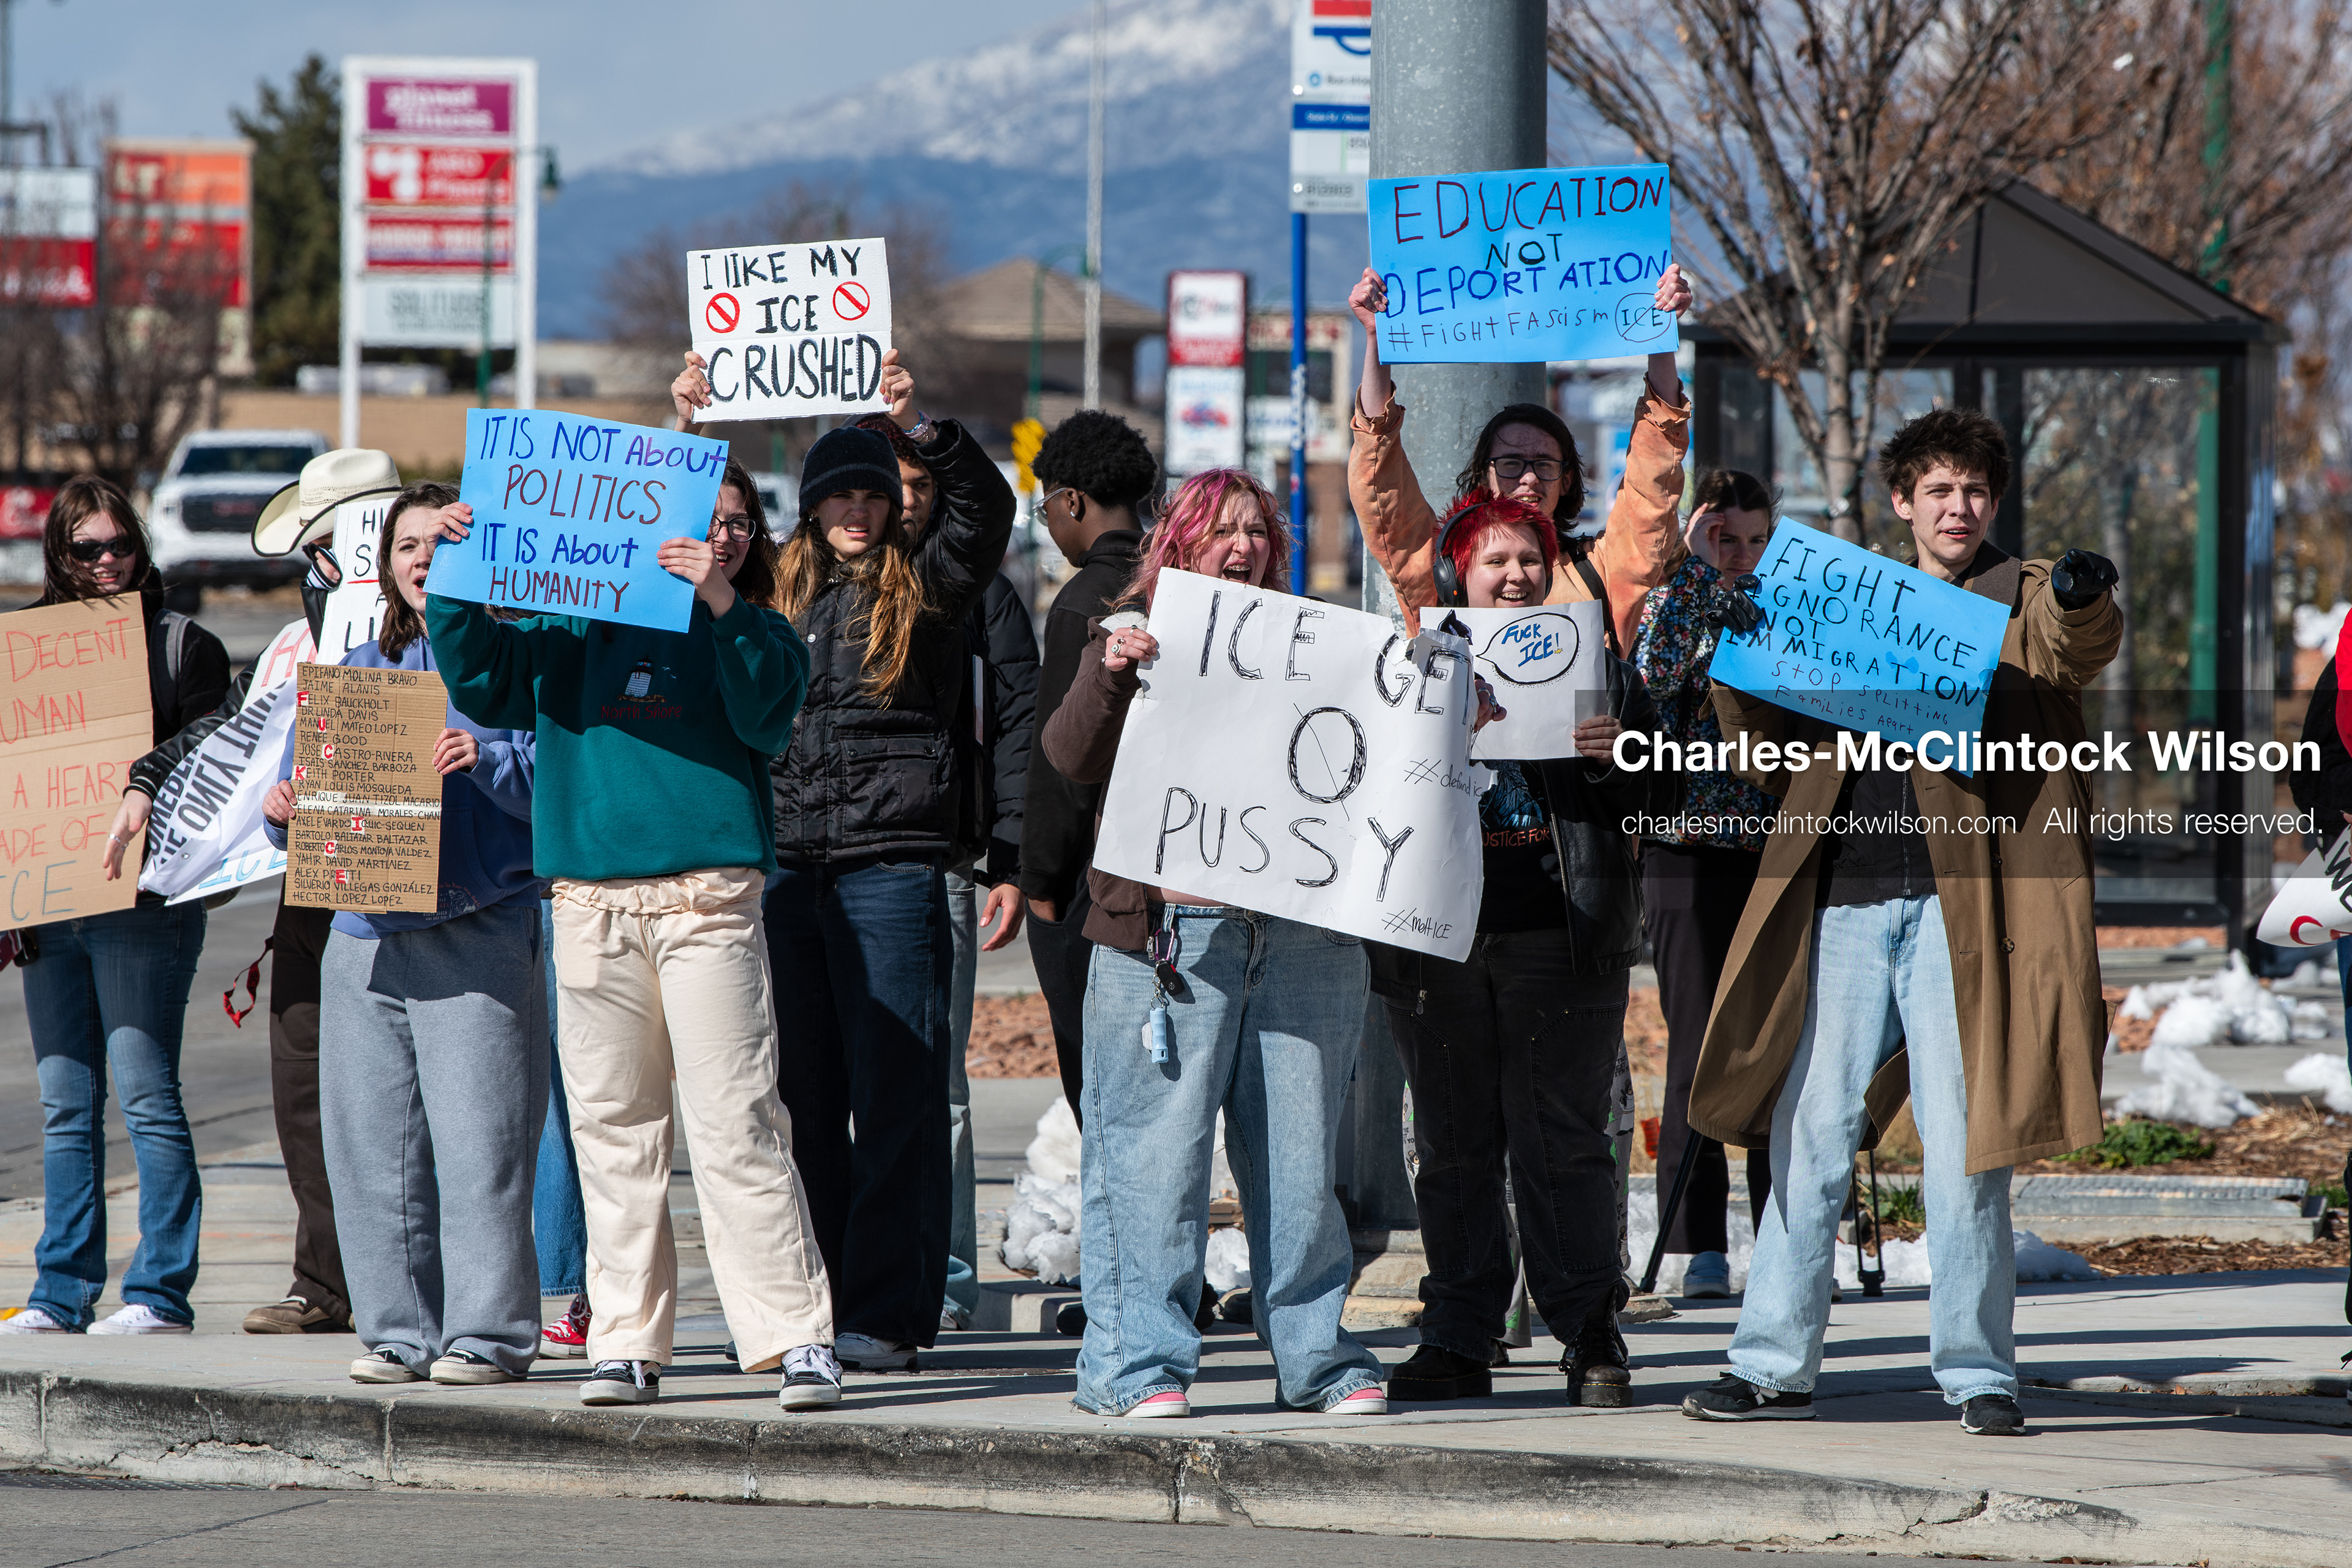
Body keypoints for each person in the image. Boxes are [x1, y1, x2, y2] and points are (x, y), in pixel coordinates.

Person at [1680, 409, 2120, 1437]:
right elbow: (1760, 735)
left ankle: (1978, 1375)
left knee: (1968, 1143)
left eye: (1974, 490)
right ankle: (1771, 1361)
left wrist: (2082, 590)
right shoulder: (1846, 599)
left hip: (1964, 916)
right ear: (1902, 503)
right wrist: (1739, 653)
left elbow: (2072, 648)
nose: (1957, 507)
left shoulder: (2025, 591)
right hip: (1838, 898)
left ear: (1995, 503)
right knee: (1810, 1134)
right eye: (1938, 491)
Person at [425, 429, 840, 1411]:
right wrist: (456, 566)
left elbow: (769, 712)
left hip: (710, 899)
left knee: (737, 1118)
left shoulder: (759, 626)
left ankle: (793, 1341)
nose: (724, 536)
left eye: (740, 524)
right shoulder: (570, 622)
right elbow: (481, 675)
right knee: (614, 1128)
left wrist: (720, 601)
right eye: (709, 521)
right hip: (589, 899)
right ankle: (626, 1340)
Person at [674, 354, 1011, 1376]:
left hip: (894, 870)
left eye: (872, 491)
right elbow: (687, 546)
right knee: (803, 1102)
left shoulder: (932, 585)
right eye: (839, 495)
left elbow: (981, 514)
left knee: (896, 1096)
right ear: (811, 509)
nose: (858, 510)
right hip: (785, 870)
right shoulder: (771, 588)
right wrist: (688, 431)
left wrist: (919, 427)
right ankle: (807, 1308)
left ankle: (886, 1313)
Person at [1041, 467, 1389, 1420]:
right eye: (1221, 531)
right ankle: (1136, 1367)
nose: (1243, 547)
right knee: (1154, 1164)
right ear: (1179, 545)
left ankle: (1318, 1359)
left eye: (1258, 533)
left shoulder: (1320, 647)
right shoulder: (1127, 634)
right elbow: (1067, 757)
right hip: (1168, 942)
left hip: (1301, 937)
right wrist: (1110, 675)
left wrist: (1447, 715)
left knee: (1301, 1163)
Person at [1365, 491, 1681, 1407]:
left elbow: (1657, 809)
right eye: (1494, 560)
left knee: (1566, 1144)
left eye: (1529, 561)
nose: (1514, 576)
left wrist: (1619, 756)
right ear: (1457, 570)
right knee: (1456, 1144)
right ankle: (1460, 1337)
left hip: (1562, 933)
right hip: (1439, 939)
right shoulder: (1407, 666)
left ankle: (1590, 1335)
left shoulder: (1597, 667)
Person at [96, 448, 404, 1336]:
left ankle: (411, 1279)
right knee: (303, 1079)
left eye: (328, 547)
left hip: (418, 887)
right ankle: (327, 1279)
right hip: (314, 883)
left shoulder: (442, 632)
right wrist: (152, 779)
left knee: (406, 1090)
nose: (318, 568)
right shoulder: (293, 644)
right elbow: (226, 731)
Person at [257, 483, 546, 1384]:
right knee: (372, 1151)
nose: (424, 558)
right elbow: (293, 808)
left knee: (482, 1148)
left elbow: (560, 789)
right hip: (366, 939)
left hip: (478, 928)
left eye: (441, 543)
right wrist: (282, 812)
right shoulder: (354, 681)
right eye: (408, 545)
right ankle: (397, 1333)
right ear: (384, 570)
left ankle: (487, 1339)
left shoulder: (513, 669)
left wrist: (487, 758)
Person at [0, 477, 230, 1336]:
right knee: (65, 1103)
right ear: (58, 557)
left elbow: (221, 743)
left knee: (146, 1094)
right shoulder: (24, 652)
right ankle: (61, 1292)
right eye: (85, 550)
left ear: (141, 545)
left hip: (145, 901)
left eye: (119, 545)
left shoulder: (184, 644)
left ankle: (160, 1292)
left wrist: (144, 780)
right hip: (49, 903)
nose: (105, 563)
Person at [854, 412, 1038, 1332]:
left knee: (942, 1087)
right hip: (825, 869)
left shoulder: (975, 593)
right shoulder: (818, 587)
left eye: (923, 488)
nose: (911, 503)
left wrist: (1009, 857)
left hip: (945, 866)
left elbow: (1015, 728)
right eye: (895, 488)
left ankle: (951, 1279)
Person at [1346, 264, 1694, 654]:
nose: (1529, 478)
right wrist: (1377, 338)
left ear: (1567, 480)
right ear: (1484, 475)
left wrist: (1660, 331)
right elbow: (1384, 487)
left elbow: (1652, 484)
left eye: (1545, 465)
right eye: (1511, 464)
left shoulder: (1601, 571)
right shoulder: (1442, 567)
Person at [1630, 469, 1781, 1298]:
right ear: (1696, 535)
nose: (1742, 555)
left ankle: (1784, 1232)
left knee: (1772, 1039)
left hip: (1770, 846)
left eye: (1757, 540)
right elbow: (1649, 689)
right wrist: (1693, 581)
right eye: (1726, 538)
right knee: (1695, 1042)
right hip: (1683, 845)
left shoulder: (1790, 606)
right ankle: (1697, 1243)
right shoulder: (1669, 601)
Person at [1019, 411, 1158, 1122]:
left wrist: (1039, 877)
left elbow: (1061, 760)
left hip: (1090, 879)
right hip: (1168, 864)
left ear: (1072, 500)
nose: (1047, 524)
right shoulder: (1176, 581)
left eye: (1046, 506)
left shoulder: (1082, 602)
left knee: (1100, 1089)